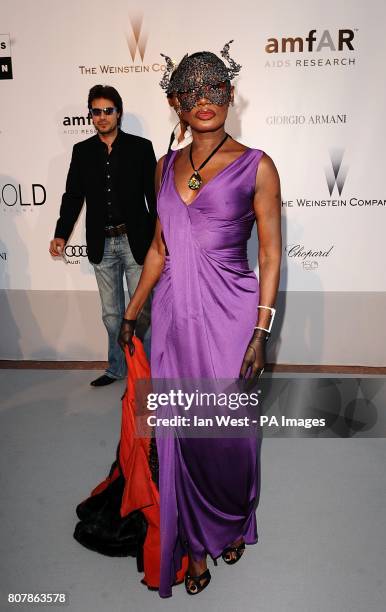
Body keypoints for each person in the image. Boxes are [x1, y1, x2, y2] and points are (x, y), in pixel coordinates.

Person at [118, 41, 282, 597]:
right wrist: (132, 311)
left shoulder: (257, 166)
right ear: (175, 102)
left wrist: (262, 331)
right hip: (171, 320)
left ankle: (233, 520)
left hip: (231, 316)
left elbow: (269, 255)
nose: (204, 99)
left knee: (230, 438)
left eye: (215, 88)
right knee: (177, 436)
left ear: (230, 95)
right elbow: (159, 250)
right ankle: (190, 547)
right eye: (191, 90)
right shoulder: (164, 166)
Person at [49, 85, 157, 386]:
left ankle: (145, 373)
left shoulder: (141, 148)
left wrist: (161, 240)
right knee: (112, 315)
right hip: (102, 243)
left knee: (144, 314)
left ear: (118, 112)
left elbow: (155, 198)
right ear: (90, 115)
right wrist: (61, 233)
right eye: (96, 111)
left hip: (137, 241)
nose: (102, 116)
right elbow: (73, 196)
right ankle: (117, 368)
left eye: (108, 110)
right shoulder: (82, 152)